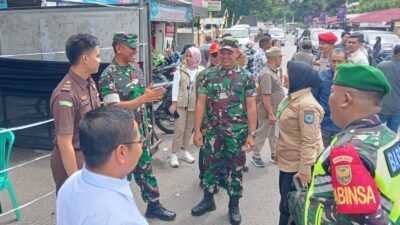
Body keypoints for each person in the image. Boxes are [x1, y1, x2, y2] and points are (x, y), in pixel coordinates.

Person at [304, 64, 399, 224]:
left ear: (346, 99)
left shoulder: (347, 151)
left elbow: (370, 220)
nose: (330, 97)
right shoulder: (389, 137)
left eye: (333, 92)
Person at [98, 32, 176, 221]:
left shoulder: (136, 69)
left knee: (145, 168)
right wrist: (143, 98)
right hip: (120, 136)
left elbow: (140, 94)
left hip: (139, 131)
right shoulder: (109, 75)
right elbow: (113, 107)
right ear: (119, 48)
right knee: (120, 177)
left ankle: (154, 205)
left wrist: (150, 94)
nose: (135, 51)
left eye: (135, 47)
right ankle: (115, 212)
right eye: (131, 47)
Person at [192, 36, 257, 225]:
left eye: (230, 52)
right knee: (209, 167)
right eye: (222, 52)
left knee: (236, 170)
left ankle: (234, 204)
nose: (225, 55)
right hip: (213, 133)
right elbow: (201, 103)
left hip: (236, 135)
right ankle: (208, 200)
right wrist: (197, 130)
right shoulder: (209, 76)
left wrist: (252, 134)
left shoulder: (246, 77)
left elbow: (251, 107)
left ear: (237, 53)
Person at [57, 107, 148, 225]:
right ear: (122, 152)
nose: (141, 149)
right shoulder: (124, 218)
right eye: (139, 141)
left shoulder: (70, 184)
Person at [50, 33, 101, 193]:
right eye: (97, 55)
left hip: (89, 155)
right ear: (85, 59)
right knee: (74, 209)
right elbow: (65, 144)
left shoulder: (89, 83)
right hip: (74, 159)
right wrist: (75, 181)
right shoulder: (66, 94)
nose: (100, 60)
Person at [276, 61, 324, 225]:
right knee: (286, 204)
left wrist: (304, 170)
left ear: (299, 78)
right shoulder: (292, 97)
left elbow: (309, 140)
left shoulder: (307, 105)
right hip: (287, 162)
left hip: (298, 168)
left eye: (288, 73)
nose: (284, 75)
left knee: (290, 209)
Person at [196, 42, 228, 190]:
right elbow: (200, 103)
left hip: (224, 122)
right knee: (205, 151)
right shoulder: (203, 75)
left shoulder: (227, 73)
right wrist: (201, 126)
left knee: (222, 152)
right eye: (214, 55)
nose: (217, 58)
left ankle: (222, 177)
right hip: (208, 122)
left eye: (219, 54)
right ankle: (203, 177)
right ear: (210, 56)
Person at [252, 47, 285, 167]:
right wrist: (270, 113)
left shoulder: (272, 71)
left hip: (274, 110)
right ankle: (255, 155)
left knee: (273, 133)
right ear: (275, 59)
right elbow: (266, 95)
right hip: (268, 111)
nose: (281, 60)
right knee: (263, 133)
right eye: (280, 57)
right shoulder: (266, 74)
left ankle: (274, 154)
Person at [312, 48, 348, 147]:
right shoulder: (321, 77)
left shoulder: (351, 79)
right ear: (329, 61)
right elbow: (314, 100)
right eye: (333, 61)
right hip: (323, 125)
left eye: (339, 61)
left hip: (343, 127)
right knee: (322, 155)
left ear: (346, 61)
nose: (336, 64)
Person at [378, 45, 400, 133]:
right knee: (392, 134)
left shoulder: (382, 65)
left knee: (376, 132)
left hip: (381, 106)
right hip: (397, 108)